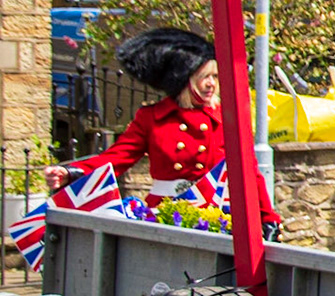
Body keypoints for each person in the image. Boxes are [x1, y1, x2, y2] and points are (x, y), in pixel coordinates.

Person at [46, 26, 281, 230]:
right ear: (183, 79)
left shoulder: (226, 119)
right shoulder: (152, 118)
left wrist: (267, 218)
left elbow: (250, 173)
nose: (211, 84)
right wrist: (71, 172)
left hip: (215, 215)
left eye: (215, 77)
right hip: (164, 213)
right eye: (204, 77)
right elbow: (115, 159)